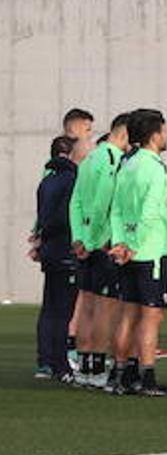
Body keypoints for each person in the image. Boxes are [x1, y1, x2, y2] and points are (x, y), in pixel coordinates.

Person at [108, 108, 167, 396]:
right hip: (149, 252)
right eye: (164, 130)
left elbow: (117, 209)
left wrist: (121, 242)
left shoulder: (128, 164)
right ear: (154, 135)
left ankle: (120, 374)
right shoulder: (155, 167)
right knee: (150, 316)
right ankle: (147, 378)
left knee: (127, 314)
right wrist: (134, 245)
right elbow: (149, 212)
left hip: (128, 251)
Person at [69, 113, 129, 388]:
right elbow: (102, 204)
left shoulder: (90, 156)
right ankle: (95, 368)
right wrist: (95, 241)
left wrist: (79, 238)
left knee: (88, 306)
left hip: (86, 243)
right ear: (125, 133)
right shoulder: (111, 160)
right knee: (105, 308)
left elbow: (76, 202)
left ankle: (83, 366)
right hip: (102, 245)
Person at [32, 136, 81, 381]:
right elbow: (63, 217)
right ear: (70, 154)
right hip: (63, 250)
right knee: (63, 310)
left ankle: (45, 361)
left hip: (50, 251)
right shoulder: (71, 180)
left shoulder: (46, 181)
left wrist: (41, 238)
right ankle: (61, 365)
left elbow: (42, 217)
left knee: (49, 307)